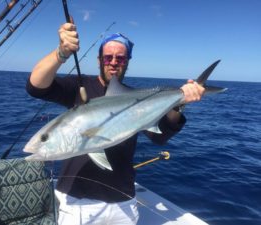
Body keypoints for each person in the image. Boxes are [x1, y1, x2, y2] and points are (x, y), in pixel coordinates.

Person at [26, 21, 205, 225]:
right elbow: (36, 87)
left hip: (124, 202)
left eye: (120, 58)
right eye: (108, 57)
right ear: (99, 59)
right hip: (77, 202)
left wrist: (180, 103)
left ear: (127, 61)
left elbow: (160, 136)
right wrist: (61, 53)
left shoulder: (136, 97)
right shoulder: (78, 87)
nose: (113, 62)